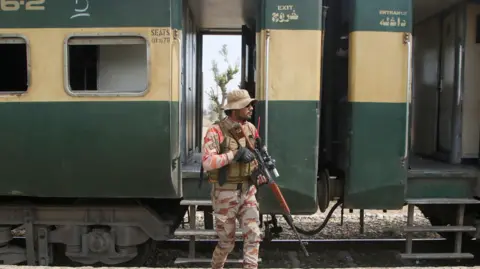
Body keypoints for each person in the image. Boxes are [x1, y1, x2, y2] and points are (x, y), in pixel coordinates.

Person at [201, 89, 268, 269]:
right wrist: (234, 154)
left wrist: (259, 170)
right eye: (247, 105)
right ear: (235, 108)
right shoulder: (216, 131)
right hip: (225, 194)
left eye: (251, 104)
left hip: (248, 191)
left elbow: (255, 156)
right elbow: (207, 162)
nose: (251, 108)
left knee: (254, 236)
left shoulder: (251, 129)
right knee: (226, 243)